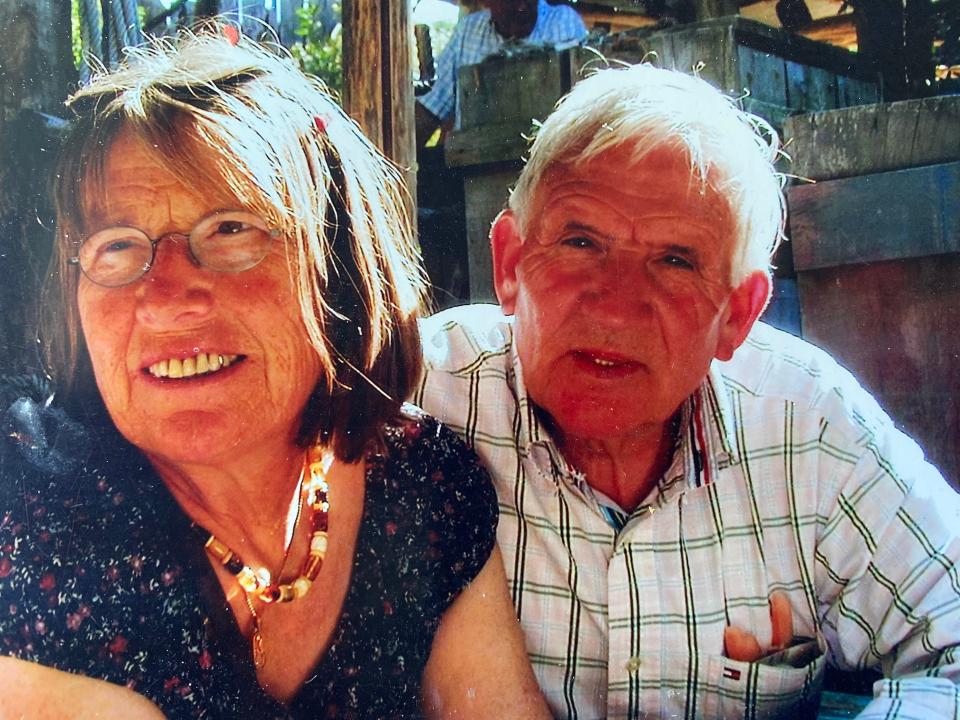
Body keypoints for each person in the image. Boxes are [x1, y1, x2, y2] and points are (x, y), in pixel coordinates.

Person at [0, 29, 550, 719]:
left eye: (232, 229)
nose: (169, 299)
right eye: (117, 245)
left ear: (341, 271)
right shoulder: (30, 508)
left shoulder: (421, 485)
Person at [414, 63, 960, 718]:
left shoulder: (807, 425)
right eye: (581, 240)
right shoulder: (416, 396)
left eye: (676, 260)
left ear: (738, 314)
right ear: (510, 262)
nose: (616, 307)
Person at [415, 0, 587, 143]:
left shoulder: (563, 22)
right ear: (487, 3)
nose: (521, 6)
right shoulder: (469, 30)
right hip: (476, 164)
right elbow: (430, 106)